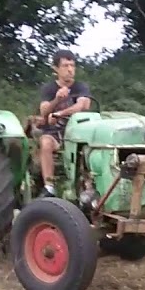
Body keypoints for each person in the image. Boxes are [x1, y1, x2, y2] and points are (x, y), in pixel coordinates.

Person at [37, 49, 91, 196]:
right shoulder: (49, 88)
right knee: (45, 142)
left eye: (72, 66)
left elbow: (82, 105)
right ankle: (49, 187)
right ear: (56, 69)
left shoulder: (80, 87)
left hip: (78, 134)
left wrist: (60, 113)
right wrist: (57, 100)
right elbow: (44, 112)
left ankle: (89, 187)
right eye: (65, 66)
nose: (70, 70)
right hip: (56, 134)